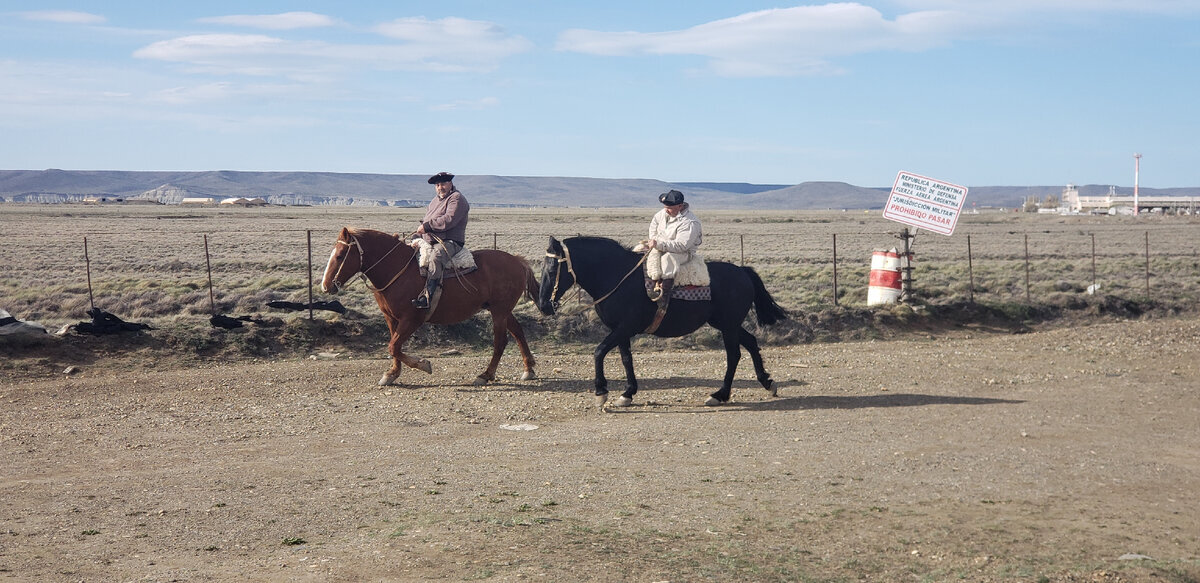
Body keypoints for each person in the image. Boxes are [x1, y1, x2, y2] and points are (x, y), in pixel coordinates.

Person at [412, 171, 470, 309]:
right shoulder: (435, 201)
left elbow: (448, 220)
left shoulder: (456, 198)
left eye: (443, 184)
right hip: (430, 239)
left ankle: (428, 297)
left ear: (450, 183)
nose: (440, 187)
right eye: (437, 185)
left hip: (450, 241)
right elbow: (428, 219)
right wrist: (419, 235)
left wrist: (426, 226)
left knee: (436, 257)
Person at [645, 189, 702, 307]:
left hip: (683, 253)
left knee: (668, 260)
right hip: (661, 245)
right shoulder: (662, 213)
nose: (666, 209)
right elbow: (653, 227)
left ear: (680, 206)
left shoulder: (690, 222)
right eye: (665, 206)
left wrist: (659, 244)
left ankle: (664, 295)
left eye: (669, 207)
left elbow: (682, 245)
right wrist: (654, 242)